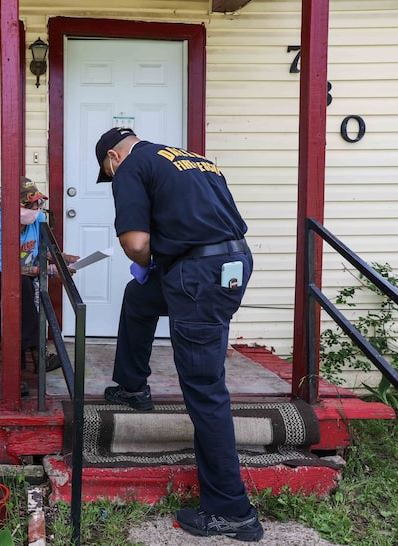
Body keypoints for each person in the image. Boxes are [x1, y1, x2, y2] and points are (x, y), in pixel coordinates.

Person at [94, 127, 263, 542]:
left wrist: (150, 258)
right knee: (140, 295)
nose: (113, 178)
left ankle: (231, 511)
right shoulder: (190, 158)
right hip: (232, 262)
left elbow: (135, 244)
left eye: (107, 172)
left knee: (204, 387)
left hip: (198, 276)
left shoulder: (131, 166)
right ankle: (132, 385)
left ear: (113, 158)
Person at [0, 178, 77, 395]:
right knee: (20, 287)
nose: (36, 209)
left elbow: (44, 250)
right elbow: (5, 269)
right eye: (29, 204)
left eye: (38, 203)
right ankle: (36, 358)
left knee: (19, 290)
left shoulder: (38, 218)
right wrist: (49, 271)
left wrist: (63, 259)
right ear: (11, 206)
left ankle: (16, 371)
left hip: (19, 276)